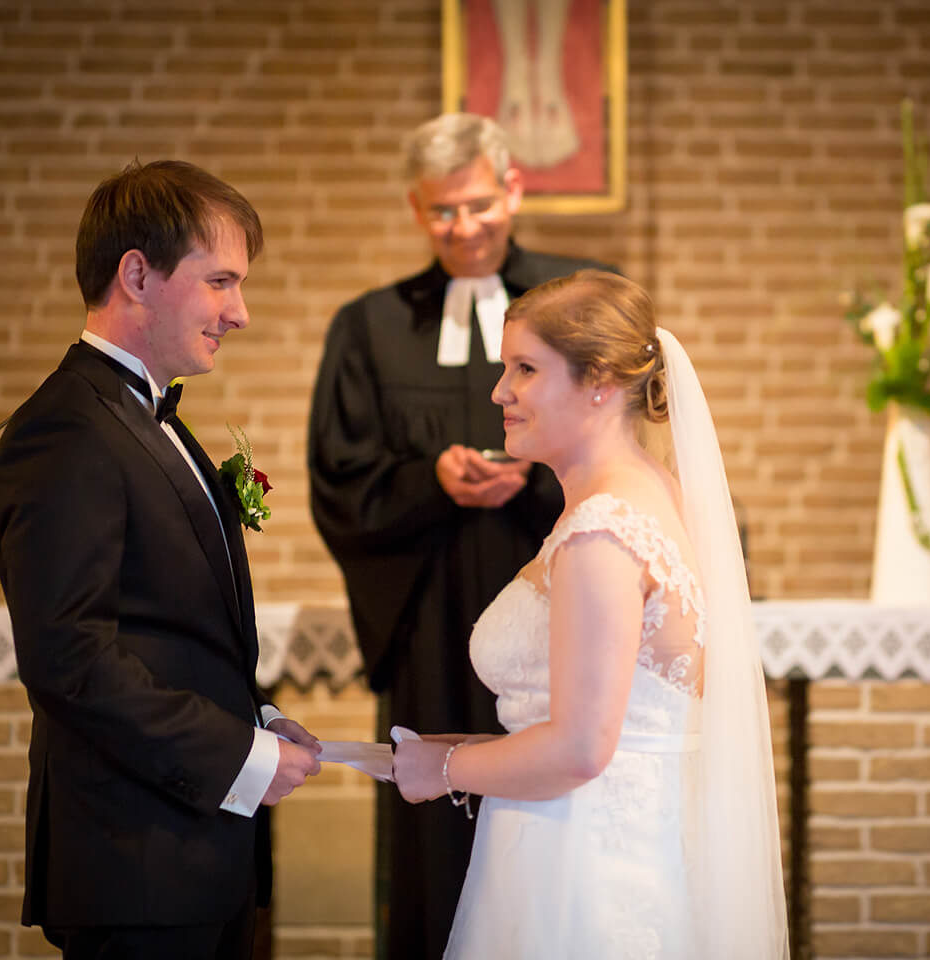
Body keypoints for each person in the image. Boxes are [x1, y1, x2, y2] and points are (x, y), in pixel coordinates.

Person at [392, 270, 790, 959]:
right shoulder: (649, 494)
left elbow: (581, 750)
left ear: (600, 381)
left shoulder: (602, 531)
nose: (500, 392)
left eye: (525, 369)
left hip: (583, 866)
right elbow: (622, 724)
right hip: (613, 843)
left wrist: (446, 768)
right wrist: (470, 749)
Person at [0, 159, 322, 960]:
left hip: (190, 855)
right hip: (133, 859)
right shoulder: (68, 429)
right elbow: (70, 660)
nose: (240, 313)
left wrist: (258, 717)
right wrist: (239, 756)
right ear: (136, 275)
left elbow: (167, 630)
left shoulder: (147, 418)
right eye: (220, 282)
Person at [306, 112, 614, 959]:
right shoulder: (369, 326)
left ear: (512, 189)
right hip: (431, 616)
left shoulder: (575, 303)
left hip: (559, 600)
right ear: (416, 208)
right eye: (442, 210)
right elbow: (339, 474)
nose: (463, 226)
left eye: (477, 204)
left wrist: (536, 475)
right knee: (436, 837)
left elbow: (621, 432)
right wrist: (428, 480)